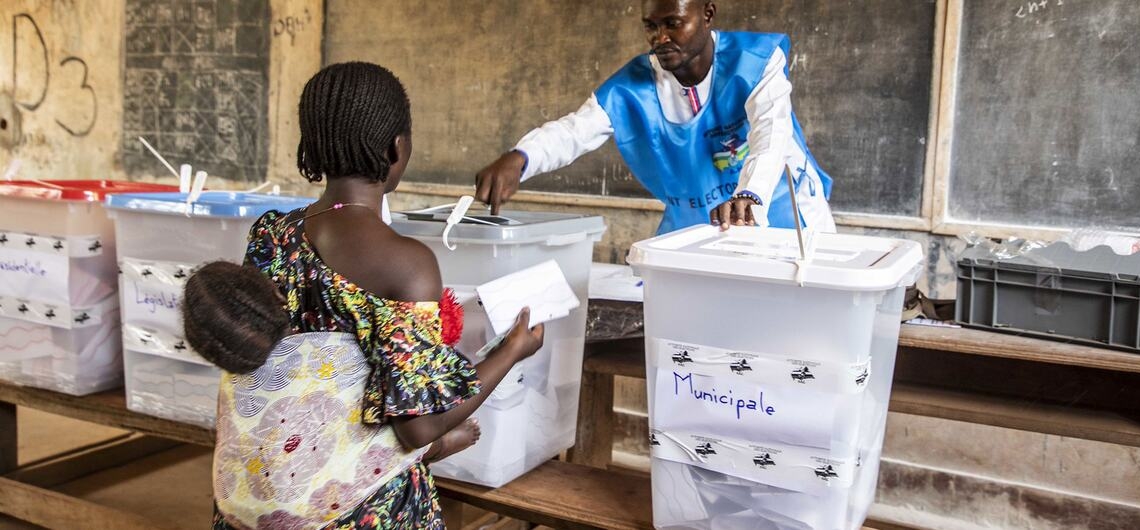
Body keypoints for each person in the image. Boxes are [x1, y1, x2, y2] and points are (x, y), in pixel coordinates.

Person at [182, 62, 544, 530]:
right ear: (399, 148)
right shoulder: (406, 263)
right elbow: (418, 425)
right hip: (353, 514)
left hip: (263, 495)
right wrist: (513, 349)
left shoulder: (271, 235)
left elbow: (309, 386)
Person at [475, 0, 836, 235]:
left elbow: (771, 134)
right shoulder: (631, 87)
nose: (660, 38)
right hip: (702, 223)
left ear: (707, 14)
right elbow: (573, 131)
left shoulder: (756, 61)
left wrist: (751, 194)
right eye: (651, 26)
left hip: (785, 214)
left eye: (673, 23)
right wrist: (520, 157)